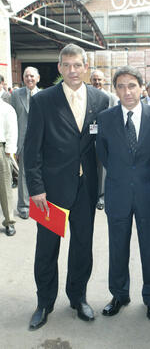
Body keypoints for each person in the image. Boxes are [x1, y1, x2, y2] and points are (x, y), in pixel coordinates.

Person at [24, 44, 109, 330]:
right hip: (50, 191)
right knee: (47, 249)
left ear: (86, 66)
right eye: (67, 65)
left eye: (78, 65)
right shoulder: (43, 101)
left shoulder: (101, 99)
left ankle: (78, 297)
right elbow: (31, 149)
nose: (73, 70)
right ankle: (44, 302)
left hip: (86, 189)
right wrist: (36, 189)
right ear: (59, 68)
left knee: (83, 246)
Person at [96, 66, 150, 321]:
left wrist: (144, 176)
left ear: (141, 87)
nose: (126, 91)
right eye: (121, 86)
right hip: (117, 193)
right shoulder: (105, 118)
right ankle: (119, 294)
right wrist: (123, 175)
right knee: (117, 248)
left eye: (131, 85)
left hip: (149, 192)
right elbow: (103, 155)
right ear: (114, 90)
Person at [11, 67, 40, 219]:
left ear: (38, 78)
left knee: (40, 174)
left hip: (40, 142)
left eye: (32, 76)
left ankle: (39, 205)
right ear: (23, 78)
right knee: (22, 175)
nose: (29, 78)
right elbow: (11, 118)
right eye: (26, 76)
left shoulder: (44, 95)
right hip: (22, 141)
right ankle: (23, 206)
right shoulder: (16, 95)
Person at [90, 69, 118, 210]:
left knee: (102, 170)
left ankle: (101, 197)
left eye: (99, 80)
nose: (97, 82)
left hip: (105, 139)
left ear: (104, 81)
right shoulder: (87, 96)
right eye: (94, 79)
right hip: (88, 139)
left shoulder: (111, 98)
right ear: (90, 81)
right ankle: (91, 195)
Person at [0, 98, 18, 236]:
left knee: (5, 187)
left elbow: (12, 130)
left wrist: (9, 149)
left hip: (1, 149)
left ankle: (9, 221)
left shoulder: (6, 108)